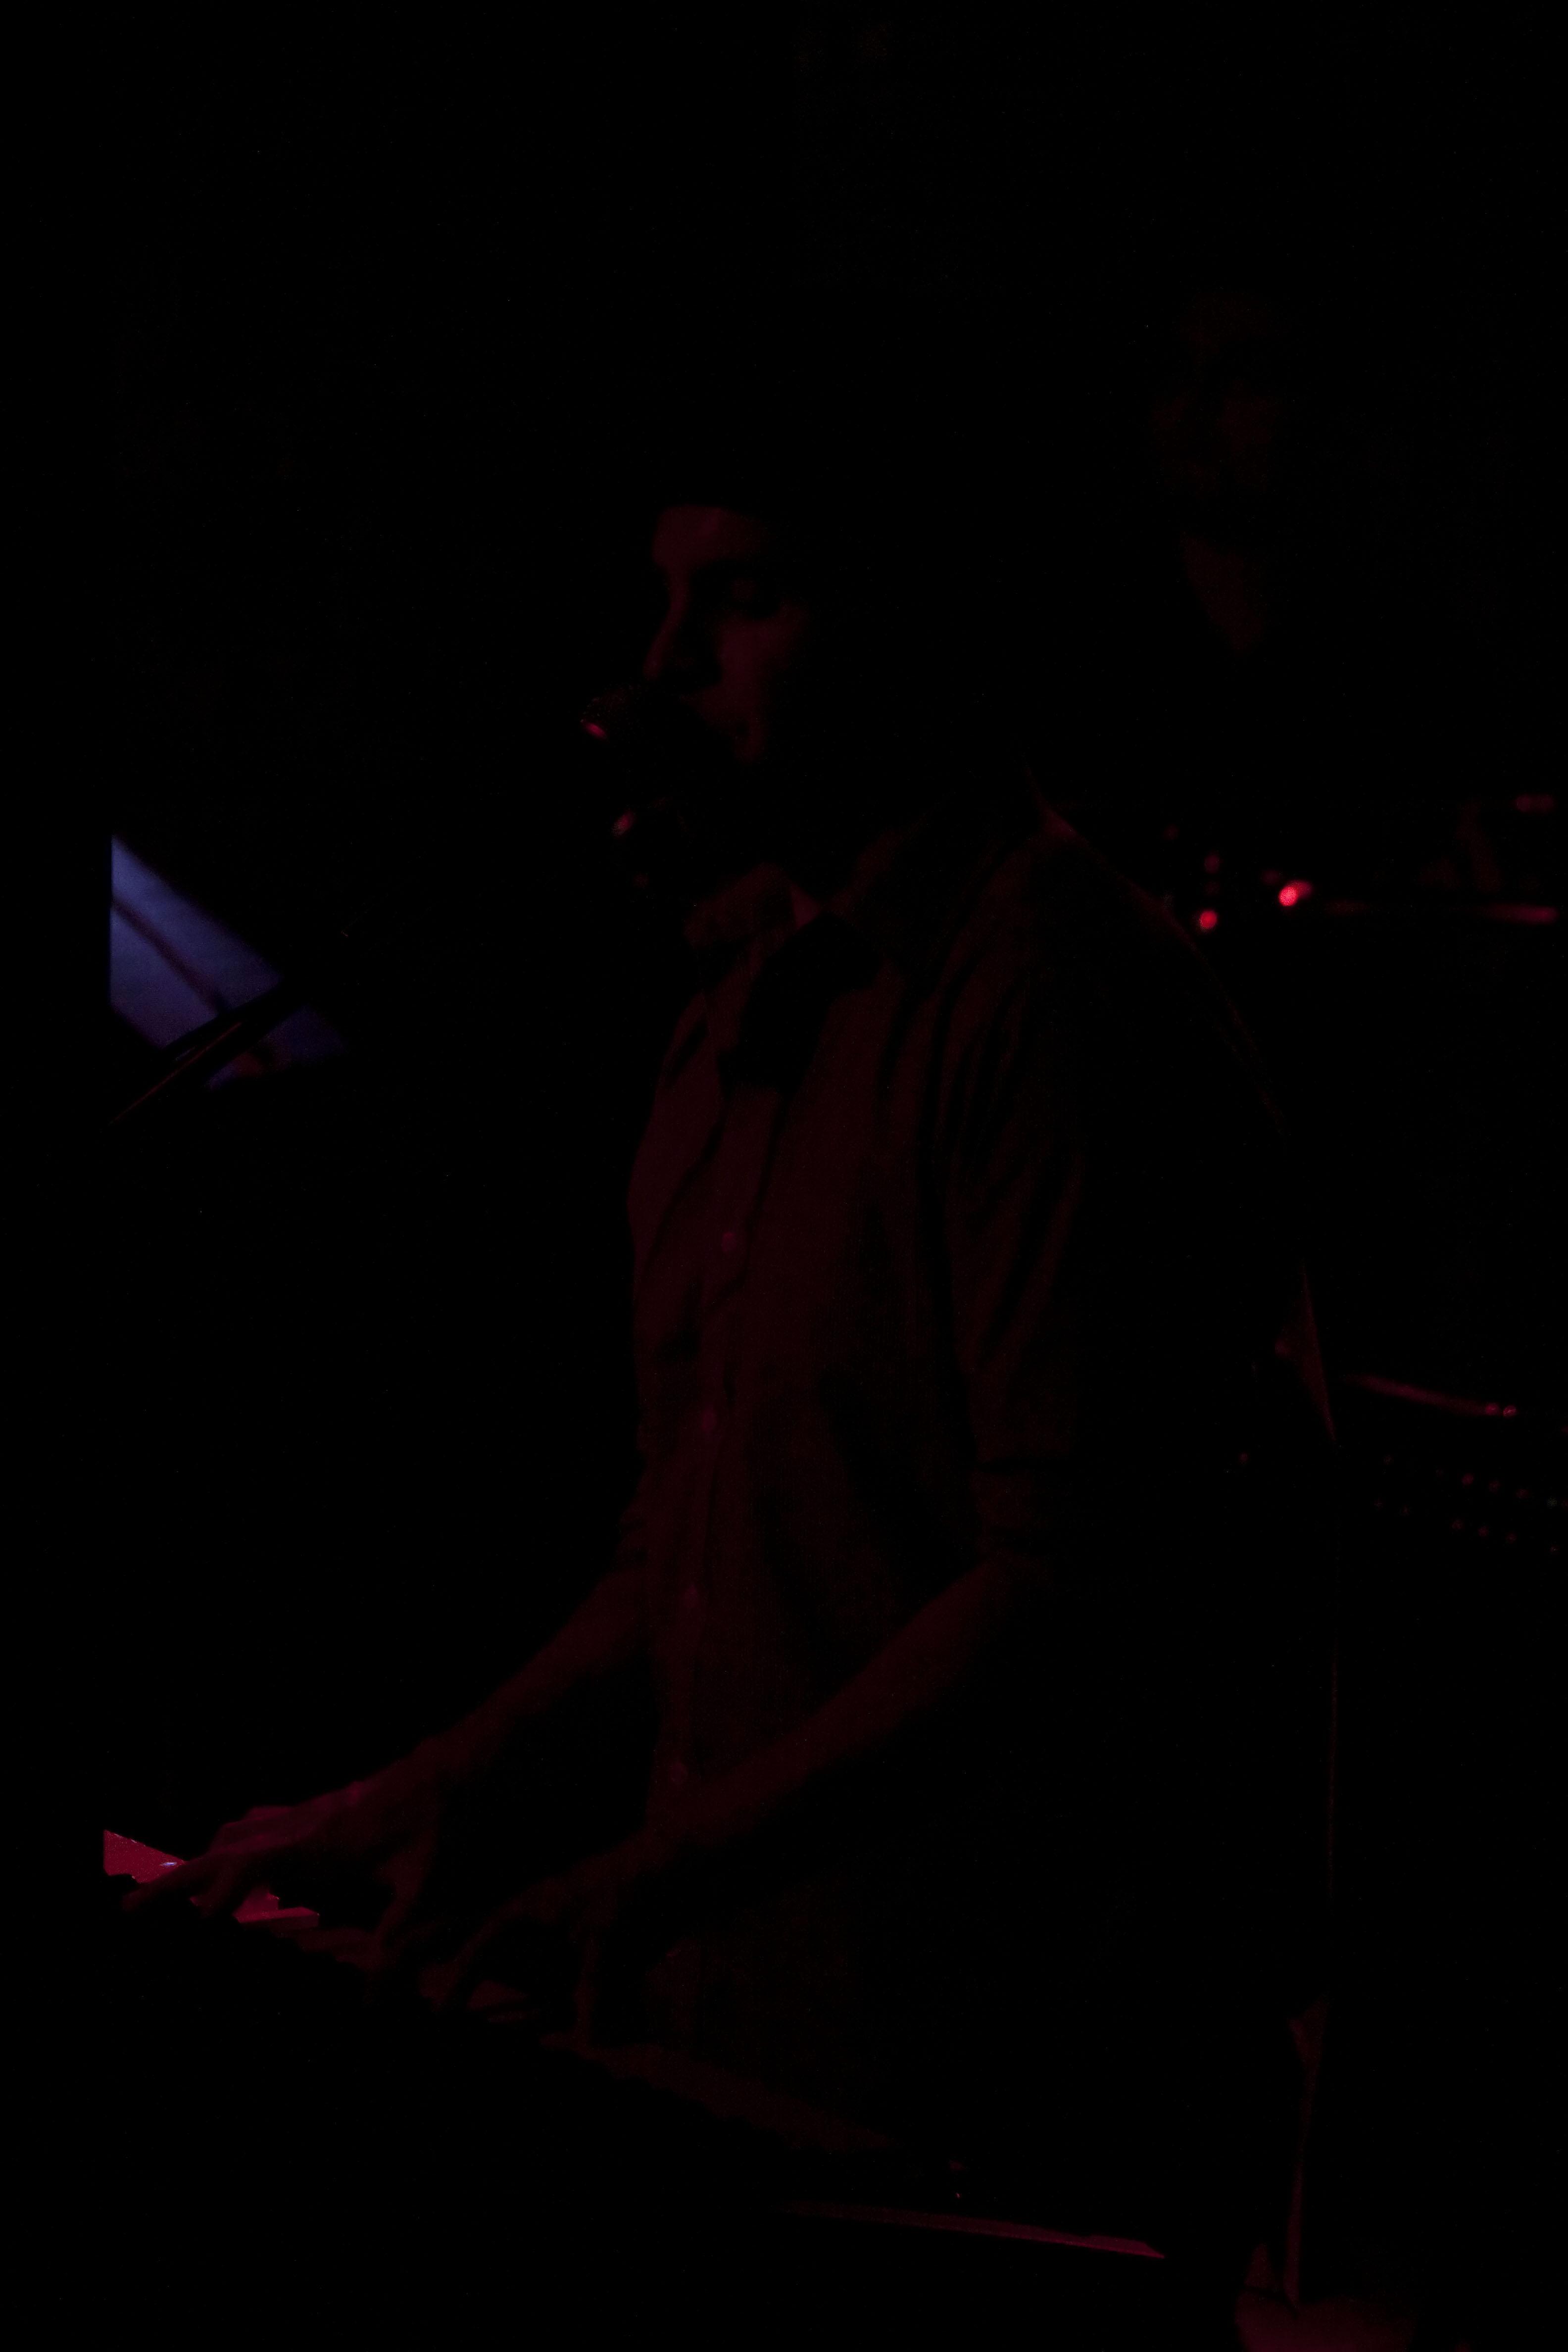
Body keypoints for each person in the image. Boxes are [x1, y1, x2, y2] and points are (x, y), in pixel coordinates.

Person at [128, 350, 1336, 2339]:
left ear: (915, 635)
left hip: (1002, 2096)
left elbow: (1067, 1583)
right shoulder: (743, 1009)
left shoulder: (1051, 999)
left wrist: (643, 1876)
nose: (665, 662)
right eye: (662, 599)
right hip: (755, 2043)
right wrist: (422, 1793)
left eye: (745, 600)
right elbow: (684, 1548)